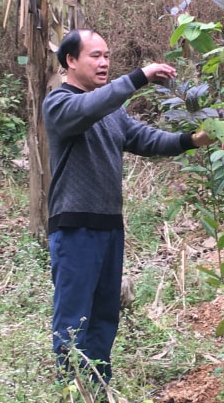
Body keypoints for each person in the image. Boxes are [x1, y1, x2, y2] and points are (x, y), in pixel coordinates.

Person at [42, 28, 213, 384]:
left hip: (109, 227)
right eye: (95, 56)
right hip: (75, 228)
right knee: (73, 318)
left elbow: (145, 139)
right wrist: (139, 77)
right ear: (70, 61)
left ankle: (97, 392)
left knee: (105, 316)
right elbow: (89, 107)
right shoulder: (59, 104)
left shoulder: (112, 112)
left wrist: (191, 141)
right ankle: (71, 399)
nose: (104, 62)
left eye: (107, 55)